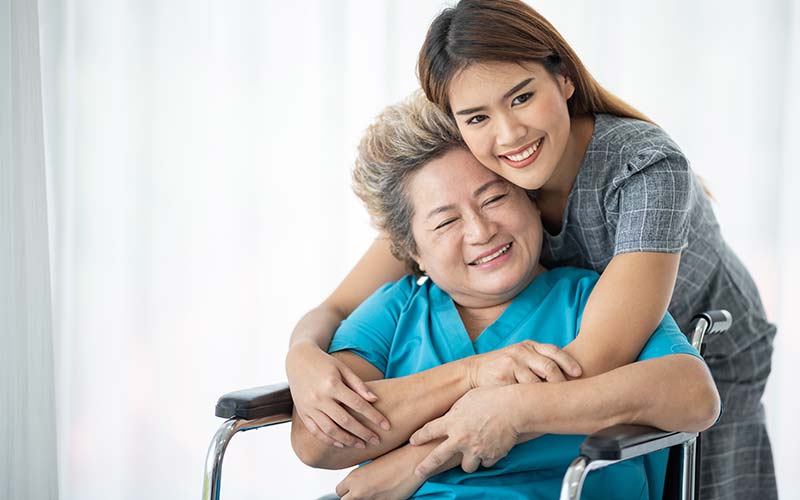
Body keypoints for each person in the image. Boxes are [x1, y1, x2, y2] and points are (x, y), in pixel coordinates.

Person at [285, 1, 776, 498]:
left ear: (563, 78)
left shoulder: (643, 168)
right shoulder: (481, 164)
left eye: (522, 97)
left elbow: (595, 359)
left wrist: (415, 462)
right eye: (478, 116)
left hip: (695, 344)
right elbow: (347, 299)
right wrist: (302, 356)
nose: (509, 133)